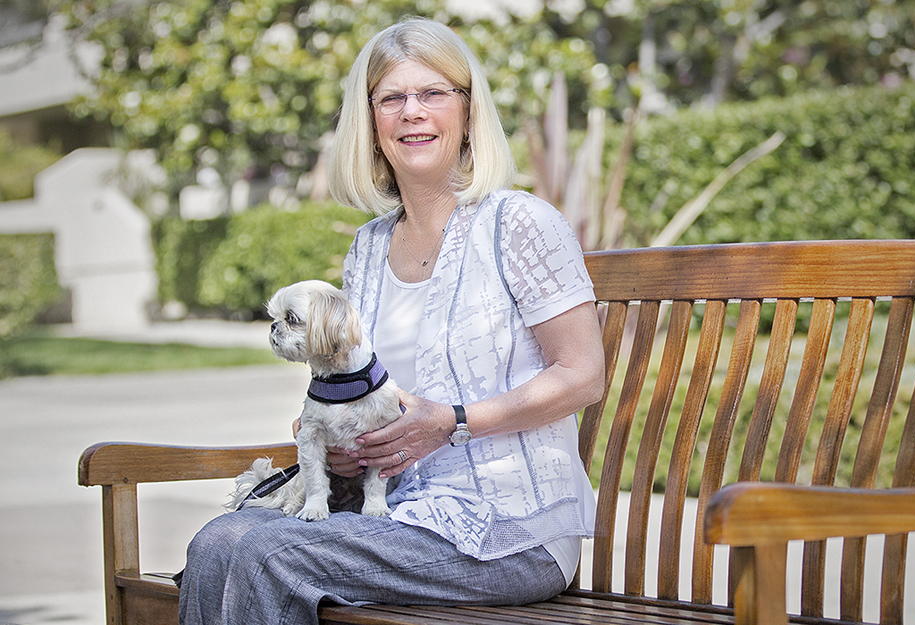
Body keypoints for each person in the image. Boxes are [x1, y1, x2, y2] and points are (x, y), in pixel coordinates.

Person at [178, 16, 604, 624]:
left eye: (433, 93)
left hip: (508, 534)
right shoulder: (369, 249)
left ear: (468, 111)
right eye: (393, 98)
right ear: (371, 122)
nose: (412, 111)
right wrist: (343, 444)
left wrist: (453, 422)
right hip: (393, 517)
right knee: (222, 539)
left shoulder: (520, 224)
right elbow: (356, 385)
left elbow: (583, 375)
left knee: (259, 551)